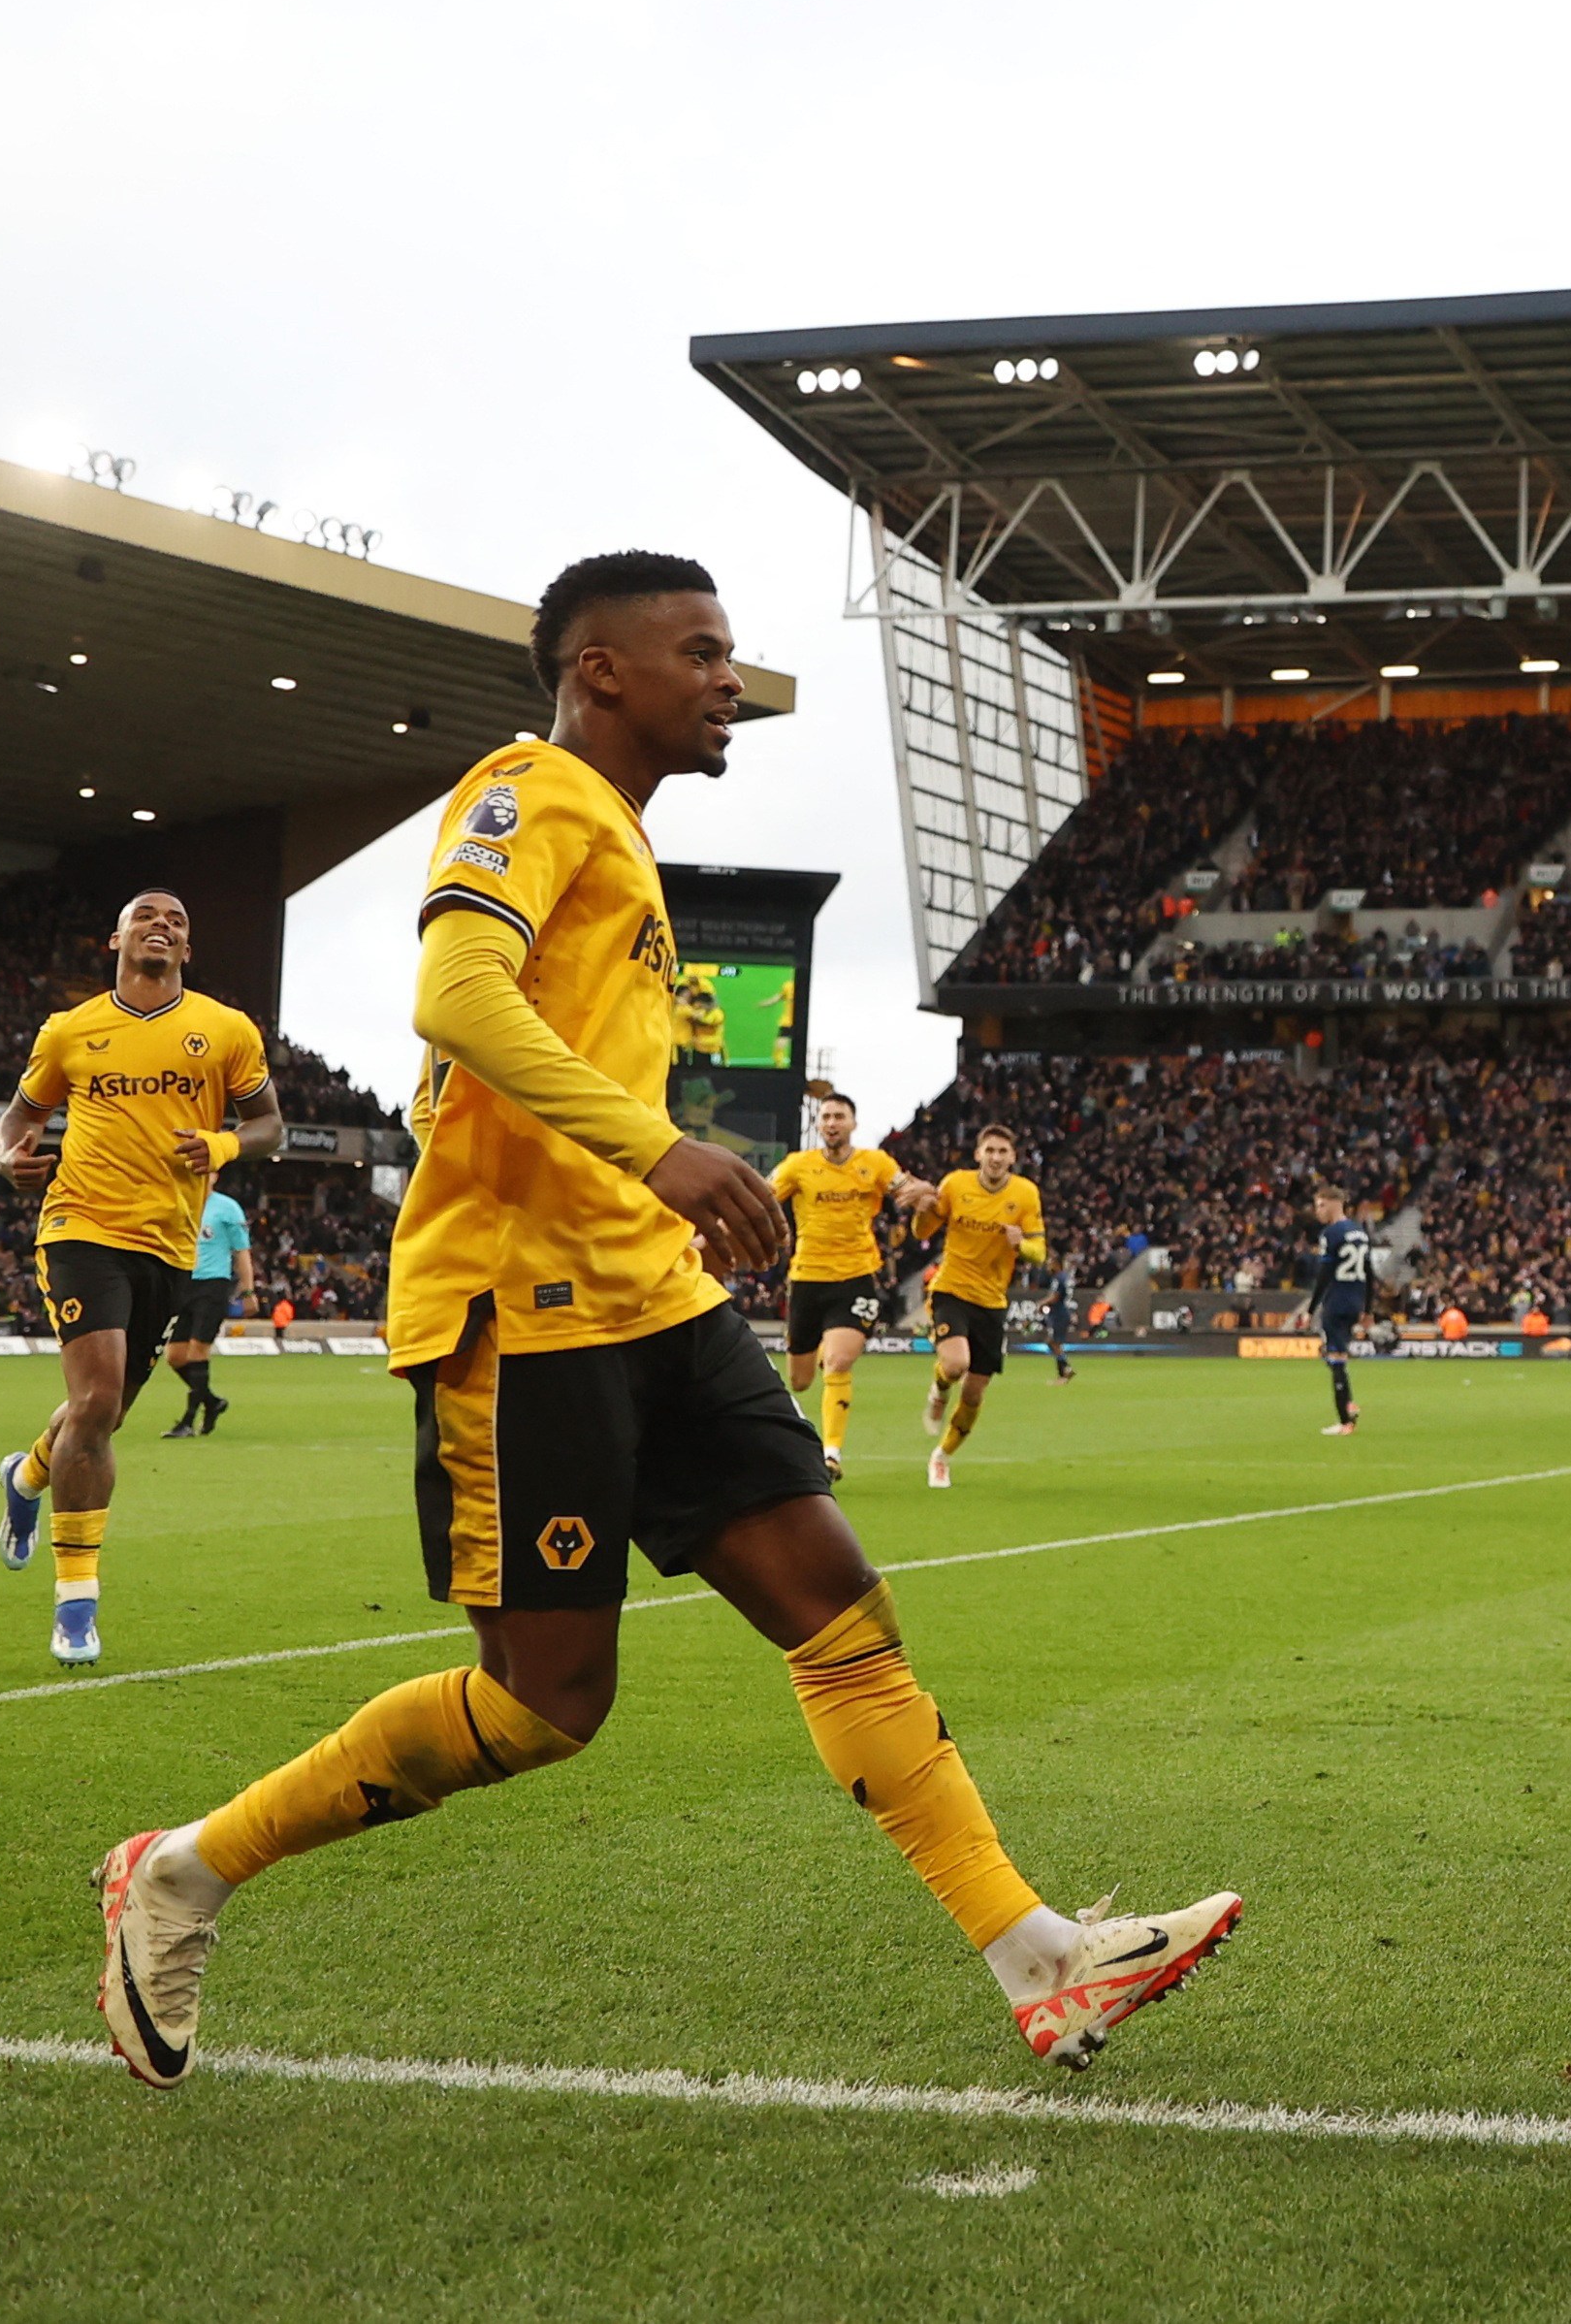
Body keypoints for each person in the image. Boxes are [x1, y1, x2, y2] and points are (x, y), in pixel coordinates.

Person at [88, 549, 1237, 2093]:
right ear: (598, 666)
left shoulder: (622, 850)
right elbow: (454, 997)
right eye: (700, 648)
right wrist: (665, 1148)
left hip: (658, 1294)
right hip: (524, 1309)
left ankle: (1039, 1962)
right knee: (544, 1700)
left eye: (733, 651)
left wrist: (670, 1175)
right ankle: (178, 1870)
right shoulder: (527, 784)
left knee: (842, 1610)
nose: (729, 678)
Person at [0, 891, 285, 1667]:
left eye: (179, 920)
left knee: (105, 1415)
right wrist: (8, 1157)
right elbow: (18, 1118)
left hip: (169, 1245)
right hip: (80, 1225)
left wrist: (222, 1144)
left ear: (187, 948)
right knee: (93, 1399)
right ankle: (76, 1602)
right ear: (116, 936)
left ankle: (26, 1478)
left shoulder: (225, 1030)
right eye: (148, 915)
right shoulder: (70, 1030)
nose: (163, 924)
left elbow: (270, 1126)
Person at [766, 1091, 924, 1472]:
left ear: (853, 1123)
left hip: (856, 1277)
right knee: (800, 1381)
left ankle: (831, 1454)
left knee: (838, 1362)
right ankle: (818, 1360)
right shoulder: (797, 1166)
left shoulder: (875, 1163)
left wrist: (920, 1192)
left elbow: (909, 1188)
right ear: (819, 1125)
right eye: (826, 1117)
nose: (832, 1123)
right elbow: (762, 1195)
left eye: (839, 1116)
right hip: (806, 1279)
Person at [914, 1124, 1048, 1487]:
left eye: (1003, 1152)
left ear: (1013, 1158)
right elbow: (922, 1231)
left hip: (992, 1300)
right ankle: (939, 1389)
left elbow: (1040, 1252)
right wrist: (923, 1211)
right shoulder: (955, 1184)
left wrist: (1020, 1245)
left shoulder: (1025, 1194)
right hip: (951, 1289)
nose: (996, 1157)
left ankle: (941, 1457)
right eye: (990, 1150)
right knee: (956, 1364)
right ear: (978, 1155)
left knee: (974, 1393)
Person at [159, 1183, 256, 1437]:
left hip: (212, 1285)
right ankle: (212, 1402)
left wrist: (248, 1291)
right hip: (184, 1283)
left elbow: (241, 1251)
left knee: (197, 1350)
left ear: (215, 1175)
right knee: (175, 1356)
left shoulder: (227, 1208)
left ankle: (188, 1421)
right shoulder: (179, 1199)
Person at [1309, 1185, 1372, 1435]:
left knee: (1335, 1360)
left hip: (1335, 1302)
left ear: (1336, 1203)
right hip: (1355, 1301)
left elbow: (1324, 1275)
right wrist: (1368, 1308)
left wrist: (1310, 1309)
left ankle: (1346, 1420)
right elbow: (1370, 1274)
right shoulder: (1360, 1232)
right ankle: (1349, 1402)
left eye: (1321, 1205)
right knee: (1337, 1357)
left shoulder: (1331, 1233)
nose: (1318, 1211)